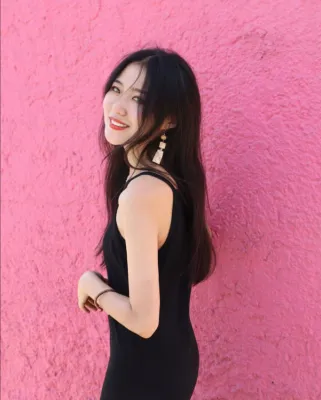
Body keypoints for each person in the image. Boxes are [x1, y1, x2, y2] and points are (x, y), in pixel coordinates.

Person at [76, 47, 216, 399]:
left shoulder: (141, 194)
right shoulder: (169, 182)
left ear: (169, 119)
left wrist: (93, 285)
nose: (118, 107)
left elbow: (143, 320)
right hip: (168, 362)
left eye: (138, 98)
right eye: (116, 89)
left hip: (143, 374)